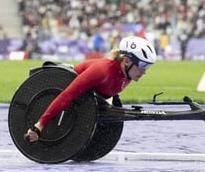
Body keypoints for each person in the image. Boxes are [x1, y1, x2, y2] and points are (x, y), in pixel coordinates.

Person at [25, 36, 156, 142]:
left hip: (88, 99)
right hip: (62, 86)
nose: (144, 71)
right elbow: (67, 95)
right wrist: (39, 126)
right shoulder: (102, 71)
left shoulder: (128, 74)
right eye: (143, 65)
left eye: (148, 66)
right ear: (126, 61)